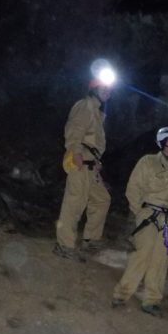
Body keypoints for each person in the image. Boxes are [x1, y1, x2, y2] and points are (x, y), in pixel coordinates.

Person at [111, 127, 168, 317]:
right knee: (142, 254)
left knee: (161, 260)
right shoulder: (148, 162)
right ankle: (122, 294)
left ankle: (151, 301)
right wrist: (141, 213)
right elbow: (133, 188)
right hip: (149, 214)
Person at [54, 78, 112, 260]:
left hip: (91, 164)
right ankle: (65, 245)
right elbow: (74, 130)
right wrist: (76, 152)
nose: (107, 91)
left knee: (102, 199)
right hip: (80, 161)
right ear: (94, 88)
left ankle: (91, 239)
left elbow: (94, 143)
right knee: (75, 202)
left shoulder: (97, 112)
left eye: (109, 89)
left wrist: (96, 163)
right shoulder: (85, 106)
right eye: (104, 87)